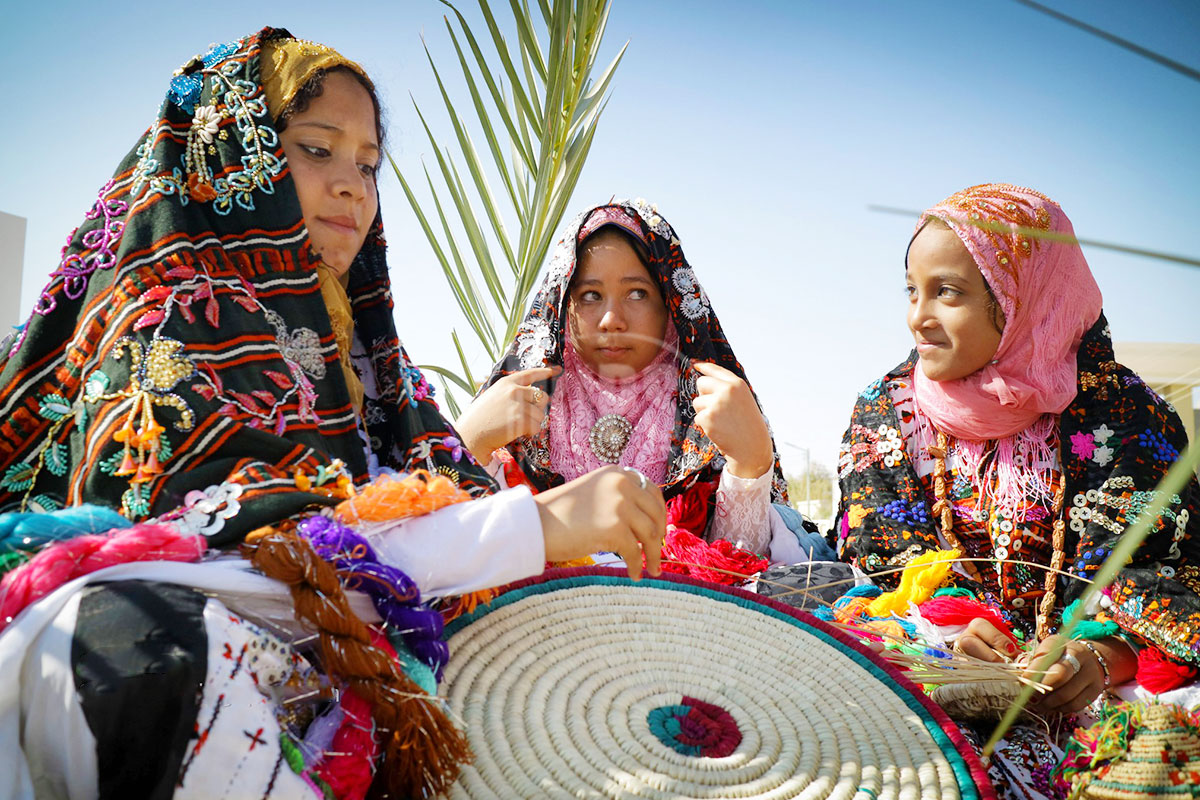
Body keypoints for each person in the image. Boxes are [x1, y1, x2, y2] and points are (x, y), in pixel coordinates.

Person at [0, 29, 663, 800]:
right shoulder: (158, 339)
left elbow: (405, 545)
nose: (353, 185)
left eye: (370, 164)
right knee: (139, 640)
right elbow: (215, 565)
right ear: (230, 162)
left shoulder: (371, 374)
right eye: (317, 149)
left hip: (335, 707)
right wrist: (526, 528)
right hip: (155, 691)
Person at [834, 183, 1199, 797]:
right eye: (911, 290)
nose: (918, 316)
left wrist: (1104, 651)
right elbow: (879, 568)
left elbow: (1173, 570)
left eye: (947, 292)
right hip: (935, 680)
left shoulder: (1127, 417)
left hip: (1104, 697)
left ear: (1022, 297)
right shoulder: (887, 414)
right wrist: (948, 628)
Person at [455, 201, 826, 565]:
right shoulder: (519, 407)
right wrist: (468, 444)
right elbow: (460, 556)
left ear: (670, 303)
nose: (611, 319)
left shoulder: (715, 410)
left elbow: (739, 572)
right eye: (590, 296)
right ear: (564, 304)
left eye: (636, 293)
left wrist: (751, 464)